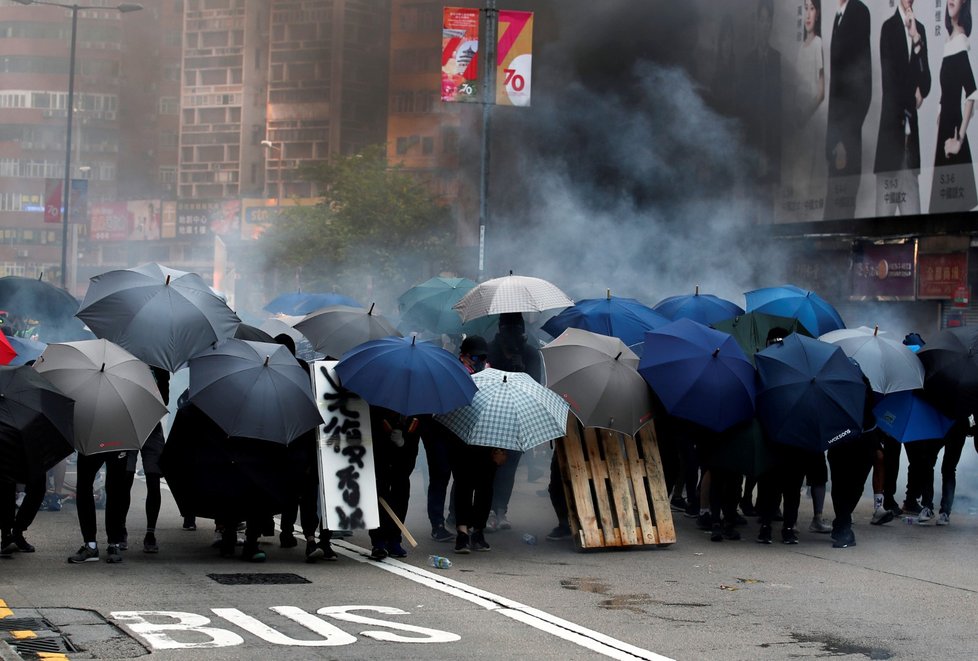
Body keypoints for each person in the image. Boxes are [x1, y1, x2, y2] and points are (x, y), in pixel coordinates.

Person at [275, 333, 337, 562]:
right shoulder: (305, 370)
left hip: (300, 440)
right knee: (308, 492)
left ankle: (298, 534)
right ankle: (311, 537)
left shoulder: (300, 370)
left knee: (303, 491)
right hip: (309, 439)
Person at [485, 313, 542, 531]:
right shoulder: (490, 350)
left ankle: (501, 511)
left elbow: (536, 386)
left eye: (516, 328)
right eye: (508, 328)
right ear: (500, 329)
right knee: (490, 467)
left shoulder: (530, 353)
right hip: (493, 415)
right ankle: (488, 510)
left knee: (509, 467)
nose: (512, 333)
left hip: (518, 416)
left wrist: (521, 370)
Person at [874, 0, 931, 216]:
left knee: (914, 226)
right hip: (890, 142)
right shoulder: (889, 28)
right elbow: (890, 84)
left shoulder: (921, 30)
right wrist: (912, 97)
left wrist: (916, 39)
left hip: (909, 148)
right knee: (881, 231)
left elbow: (925, 83)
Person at [449, 335, 502, 553]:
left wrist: (500, 446)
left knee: (485, 487)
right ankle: (462, 532)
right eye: (474, 357)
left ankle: (478, 530)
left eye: (482, 357)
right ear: (463, 355)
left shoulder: (492, 375)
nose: (478, 360)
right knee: (463, 484)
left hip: (487, 436)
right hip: (461, 437)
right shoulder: (454, 373)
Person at [823, 0, 872, 220]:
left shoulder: (858, 12)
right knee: (832, 220)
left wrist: (844, 138)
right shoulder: (837, 16)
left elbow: (863, 83)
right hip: (836, 141)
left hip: (846, 141)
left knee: (840, 220)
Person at [930, 0, 978, 212]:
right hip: (944, 132)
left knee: (953, 213)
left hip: (953, 133)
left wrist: (959, 139)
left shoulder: (960, 41)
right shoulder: (950, 41)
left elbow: (972, 92)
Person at [786, 0, 827, 220]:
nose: (808, 14)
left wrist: (804, 115)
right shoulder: (800, 48)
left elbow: (821, 92)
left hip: (811, 124)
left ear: (818, 13)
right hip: (797, 126)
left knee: (809, 180)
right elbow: (794, 90)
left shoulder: (818, 44)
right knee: (796, 179)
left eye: (812, 8)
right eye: (805, 8)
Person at [742, 0, 782, 223]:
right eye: (762, 20)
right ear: (756, 23)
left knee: (768, 209)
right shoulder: (748, 62)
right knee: (751, 210)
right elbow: (743, 110)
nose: (765, 25)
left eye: (769, 21)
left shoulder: (777, 59)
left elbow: (780, 109)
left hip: (771, 145)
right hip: (752, 146)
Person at [827, 369, 876, 549]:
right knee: (841, 485)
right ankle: (843, 526)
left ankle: (842, 522)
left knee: (851, 485)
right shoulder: (835, 388)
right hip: (843, 441)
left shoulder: (864, 388)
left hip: (860, 440)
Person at [367, 407, 422, 560]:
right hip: (381, 461)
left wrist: (403, 443)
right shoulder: (379, 409)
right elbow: (372, 433)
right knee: (379, 498)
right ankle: (378, 541)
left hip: (403, 465)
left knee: (401, 498)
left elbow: (414, 445)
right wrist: (386, 439)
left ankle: (394, 540)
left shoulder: (416, 414)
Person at [67, 448, 137, 564]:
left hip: (116, 440)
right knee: (85, 486)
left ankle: (111, 543)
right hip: (104, 439)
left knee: (114, 489)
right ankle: (94, 544)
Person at [139, 366, 170, 554]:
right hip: (127, 422)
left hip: (152, 425)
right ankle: (120, 531)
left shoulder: (160, 366)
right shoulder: (124, 357)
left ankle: (150, 532)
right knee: (123, 479)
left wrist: (160, 378)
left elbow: (164, 401)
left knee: (153, 479)